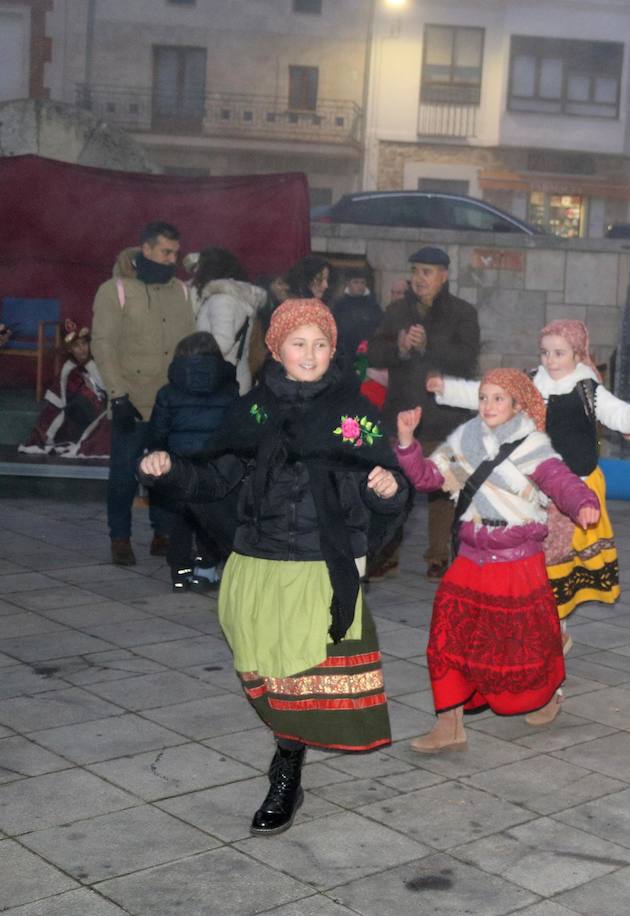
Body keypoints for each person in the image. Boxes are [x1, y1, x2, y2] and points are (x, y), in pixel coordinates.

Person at [137, 299, 409, 835]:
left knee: (303, 675)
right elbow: (216, 480)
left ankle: (286, 769)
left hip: (321, 566)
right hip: (259, 561)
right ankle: (289, 755)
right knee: (263, 671)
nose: (310, 354)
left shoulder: (355, 414)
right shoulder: (252, 411)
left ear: (334, 350)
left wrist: (387, 489)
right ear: (276, 348)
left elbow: (386, 489)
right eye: (298, 342)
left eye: (321, 343)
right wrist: (171, 472)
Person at [392, 370, 599, 753]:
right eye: (484, 397)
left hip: (516, 563)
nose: (488, 405)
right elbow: (427, 478)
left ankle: (550, 692)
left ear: (518, 404)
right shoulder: (467, 439)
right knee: (447, 638)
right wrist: (407, 443)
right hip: (471, 557)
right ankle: (449, 724)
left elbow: (559, 480)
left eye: (499, 398)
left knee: (520, 646)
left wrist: (583, 503)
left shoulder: (532, 445)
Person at [430, 319, 630, 646]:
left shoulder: (589, 389)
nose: (551, 360)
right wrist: (447, 389)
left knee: (553, 564)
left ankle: (552, 631)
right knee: (526, 561)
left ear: (578, 353)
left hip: (571, 489)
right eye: (545, 352)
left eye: (560, 353)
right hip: (529, 488)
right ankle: (538, 629)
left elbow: (623, 418)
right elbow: (488, 394)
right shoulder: (529, 382)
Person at [367, 246, 481, 581]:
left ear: (444, 276)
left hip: (445, 418)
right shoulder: (396, 311)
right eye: (415, 271)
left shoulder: (462, 312)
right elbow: (374, 352)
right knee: (392, 487)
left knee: (444, 491)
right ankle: (387, 554)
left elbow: (467, 357)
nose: (419, 279)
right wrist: (400, 347)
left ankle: (438, 556)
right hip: (402, 416)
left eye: (426, 272)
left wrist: (429, 344)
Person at [91, 220, 195, 566]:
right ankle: (120, 537)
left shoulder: (181, 291)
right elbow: (103, 344)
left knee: (165, 472)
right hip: (131, 401)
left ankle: (162, 533)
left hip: (170, 402)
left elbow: (189, 345)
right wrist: (117, 395)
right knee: (124, 473)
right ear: (146, 249)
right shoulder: (115, 290)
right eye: (166, 251)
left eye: (175, 253)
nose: (172, 259)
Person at [146, 332, 240, 592]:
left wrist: (158, 456)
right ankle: (205, 571)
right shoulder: (231, 390)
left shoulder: (168, 393)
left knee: (179, 522)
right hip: (215, 468)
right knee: (210, 522)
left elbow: (157, 433)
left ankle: (180, 573)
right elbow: (235, 431)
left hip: (178, 468)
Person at [18, 320, 111, 459]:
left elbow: (109, 387)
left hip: (104, 407)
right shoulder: (68, 368)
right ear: (69, 349)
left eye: (84, 344)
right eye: (76, 346)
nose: (82, 349)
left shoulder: (98, 362)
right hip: (80, 413)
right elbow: (61, 398)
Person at [192, 247, 265, 395]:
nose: (196, 271)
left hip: (221, 381)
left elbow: (222, 343)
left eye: (200, 266)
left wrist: (190, 354)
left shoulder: (222, 300)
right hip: (235, 376)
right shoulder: (236, 298)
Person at [331, 269, 383, 375]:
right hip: (344, 358)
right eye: (356, 282)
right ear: (348, 284)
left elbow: (381, 330)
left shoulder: (373, 306)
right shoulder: (339, 306)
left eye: (362, 282)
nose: (360, 286)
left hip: (368, 359)